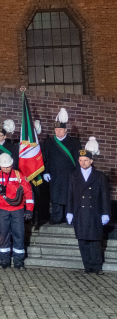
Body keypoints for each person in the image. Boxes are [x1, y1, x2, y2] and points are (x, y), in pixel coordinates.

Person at [66, 137, 111, 274]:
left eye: (85, 160)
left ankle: (96, 266)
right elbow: (70, 195)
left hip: (95, 212)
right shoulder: (73, 176)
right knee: (82, 240)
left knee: (95, 240)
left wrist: (105, 213)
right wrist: (69, 211)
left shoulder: (100, 176)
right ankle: (87, 266)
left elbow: (104, 196)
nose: (83, 163)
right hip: (79, 212)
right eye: (80, 160)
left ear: (91, 161)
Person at [0, 153, 33, 270]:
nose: (6, 168)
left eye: (8, 166)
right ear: (0, 166)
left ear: (12, 164)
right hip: (2, 210)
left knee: (19, 234)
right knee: (3, 235)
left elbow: (28, 193)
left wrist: (29, 210)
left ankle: (18, 262)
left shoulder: (20, 176)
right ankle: (4, 261)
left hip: (17, 210)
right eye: (3, 166)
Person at [42, 108, 81, 224]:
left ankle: (69, 218)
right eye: (57, 129)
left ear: (65, 130)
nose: (58, 132)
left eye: (61, 129)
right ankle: (56, 217)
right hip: (54, 174)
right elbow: (45, 159)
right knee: (55, 195)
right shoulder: (48, 142)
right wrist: (46, 172)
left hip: (70, 174)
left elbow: (79, 159)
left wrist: (78, 173)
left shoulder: (74, 142)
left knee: (70, 195)